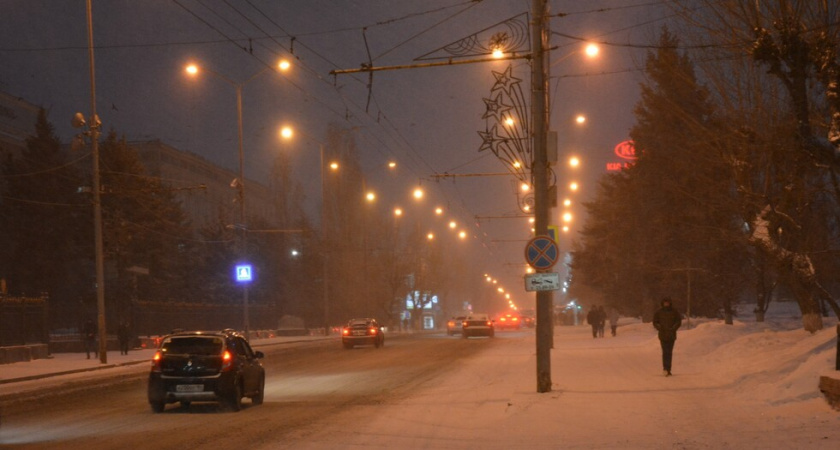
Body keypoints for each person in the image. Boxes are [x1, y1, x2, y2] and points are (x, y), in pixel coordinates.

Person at [653, 297, 682, 376]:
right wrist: (660, 328)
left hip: (671, 335)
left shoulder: (674, 312)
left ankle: (668, 369)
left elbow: (678, 321)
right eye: (665, 303)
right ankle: (665, 368)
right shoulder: (659, 312)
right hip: (663, 335)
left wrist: (673, 328)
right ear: (663, 303)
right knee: (665, 352)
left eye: (667, 303)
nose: (666, 304)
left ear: (670, 303)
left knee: (669, 352)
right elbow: (655, 322)